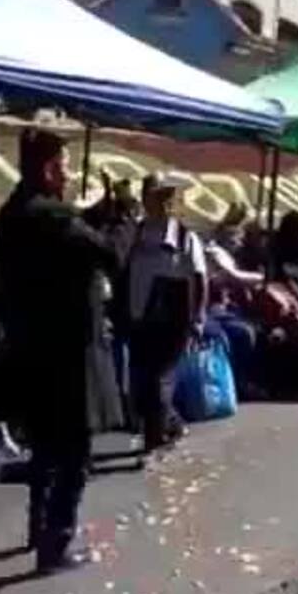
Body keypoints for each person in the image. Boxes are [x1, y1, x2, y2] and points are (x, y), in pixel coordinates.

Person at [0, 129, 123, 572]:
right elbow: (109, 255)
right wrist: (112, 217)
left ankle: (38, 529)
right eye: (64, 165)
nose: (67, 173)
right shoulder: (56, 218)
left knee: (44, 448)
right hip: (67, 350)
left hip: (27, 344)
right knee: (73, 452)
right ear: (49, 168)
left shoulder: (12, 214)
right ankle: (57, 543)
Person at [123, 173, 207, 455]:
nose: (160, 202)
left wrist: (197, 318)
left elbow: (199, 278)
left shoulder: (185, 237)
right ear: (145, 198)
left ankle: (154, 438)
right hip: (137, 315)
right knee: (140, 381)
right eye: (155, 196)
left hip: (172, 318)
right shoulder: (134, 233)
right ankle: (167, 425)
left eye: (165, 197)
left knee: (160, 380)